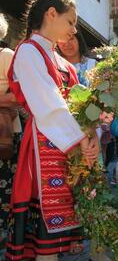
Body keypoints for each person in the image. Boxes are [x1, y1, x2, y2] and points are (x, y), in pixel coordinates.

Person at [5, 0, 99, 261]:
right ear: (50, 14)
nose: (74, 29)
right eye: (70, 21)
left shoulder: (62, 62)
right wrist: (81, 139)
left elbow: (83, 107)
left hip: (71, 147)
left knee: (65, 235)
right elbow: (47, 103)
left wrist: (91, 134)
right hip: (43, 148)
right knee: (46, 242)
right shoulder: (27, 52)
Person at [0, 13, 22, 258]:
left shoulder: (6, 56)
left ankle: (7, 238)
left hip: (5, 134)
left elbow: (19, 96)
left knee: (5, 191)